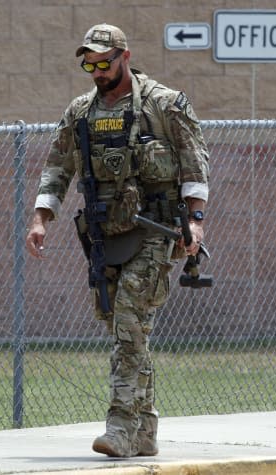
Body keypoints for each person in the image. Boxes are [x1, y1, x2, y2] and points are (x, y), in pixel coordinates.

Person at [24, 23, 211, 458]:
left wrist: (196, 224)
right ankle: (145, 430)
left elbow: (195, 166)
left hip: (154, 231)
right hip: (104, 236)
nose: (95, 69)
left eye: (103, 61)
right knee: (126, 332)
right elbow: (57, 168)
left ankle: (121, 428)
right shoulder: (80, 113)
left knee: (128, 319)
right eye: (88, 62)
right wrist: (40, 219)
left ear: (125, 56)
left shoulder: (164, 105)